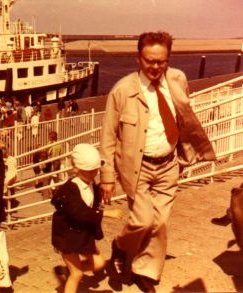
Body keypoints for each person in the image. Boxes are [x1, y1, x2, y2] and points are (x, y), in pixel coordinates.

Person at [100, 31, 216, 292]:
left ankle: (145, 271)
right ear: (138, 58)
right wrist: (107, 176)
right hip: (136, 168)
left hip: (168, 164)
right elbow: (107, 136)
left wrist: (187, 152)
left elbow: (183, 115)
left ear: (168, 59)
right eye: (149, 60)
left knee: (160, 222)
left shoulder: (178, 79)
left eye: (161, 61)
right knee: (142, 220)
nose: (155, 67)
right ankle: (120, 245)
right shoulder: (122, 91)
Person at [51, 144, 122, 293]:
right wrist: (107, 214)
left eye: (96, 170)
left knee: (99, 263)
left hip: (83, 236)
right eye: (89, 171)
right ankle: (71, 277)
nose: (94, 174)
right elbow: (79, 212)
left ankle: (68, 271)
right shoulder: (70, 189)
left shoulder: (90, 184)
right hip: (68, 237)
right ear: (75, 168)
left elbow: (92, 205)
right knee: (77, 275)